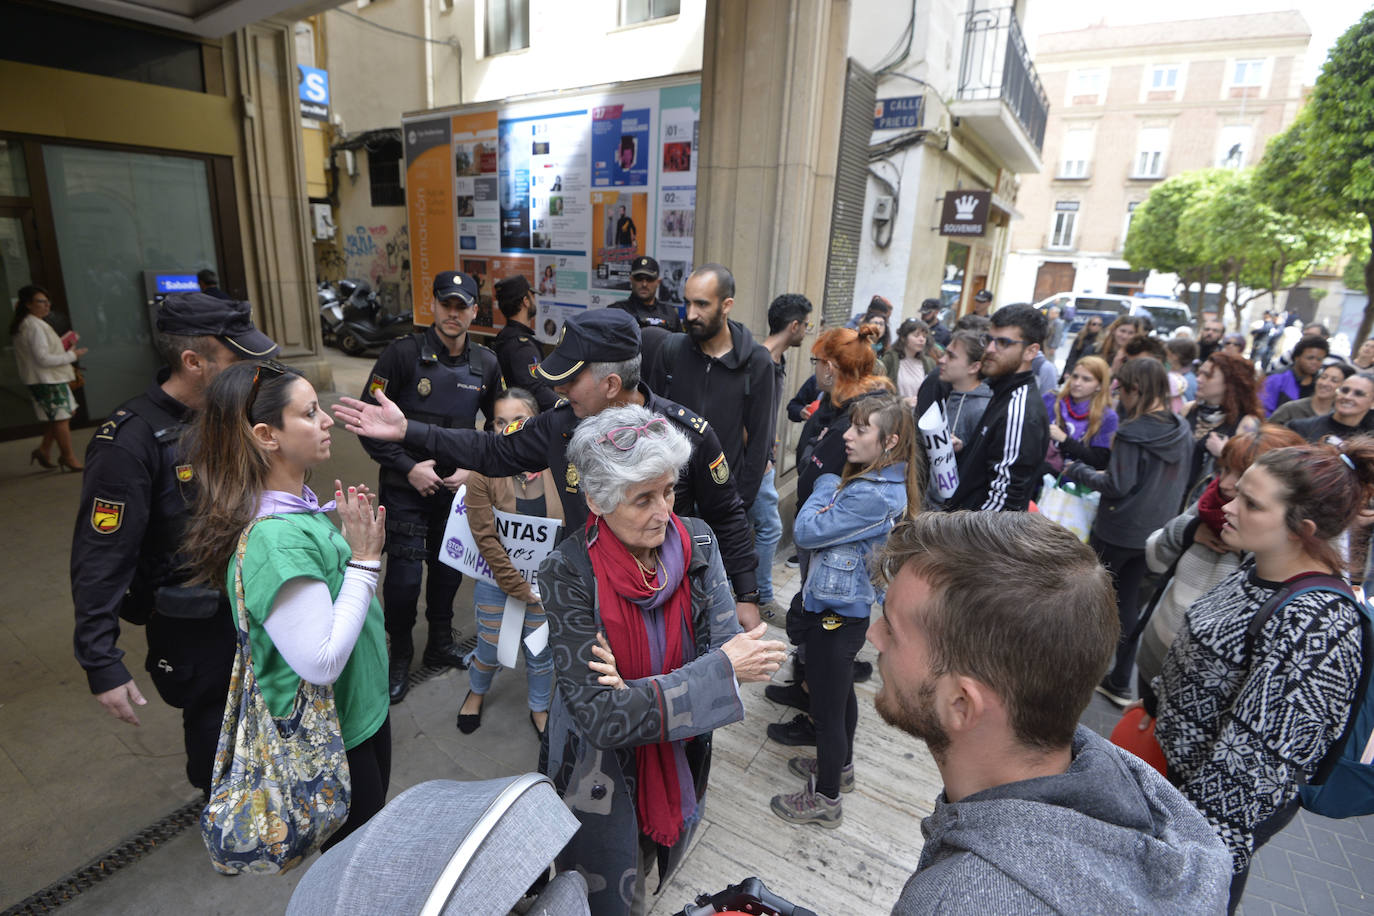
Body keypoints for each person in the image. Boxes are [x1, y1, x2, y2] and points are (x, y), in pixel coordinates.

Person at [870, 511, 1232, 915]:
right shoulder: (1129, 794)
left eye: (891, 628)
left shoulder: (954, 902)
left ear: (961, 704)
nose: (873, 635)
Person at [333, 308, 763, 628]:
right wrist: (409, 429)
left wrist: (745, 594)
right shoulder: (561, 423)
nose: (559, 388)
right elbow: (492, 451)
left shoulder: (685, 435)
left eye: (572, 379)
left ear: (611, 384)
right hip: (587, 600)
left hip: (667, 603)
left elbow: (726, 515)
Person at [538, 404, 787, 916]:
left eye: (670, 490)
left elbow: (720, 644)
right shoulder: (565, 573)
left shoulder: (696, 541)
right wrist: (718, 672)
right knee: (599, 888)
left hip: (679, 755)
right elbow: (602, 719)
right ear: (597, 501)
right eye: (643, 498)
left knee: (651, 856)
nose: (663, 512)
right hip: (595, 776)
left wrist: (636, 690)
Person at [1151, 440, 1370, 911]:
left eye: (1252, 503)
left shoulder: (1319, 625)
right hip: (1162, 794)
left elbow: (1246, 781)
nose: (1229, 506)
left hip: (1189, 841)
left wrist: (1169, 859)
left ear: (1301, 529)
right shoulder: (1260, 565)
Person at [71, 292, 277, 794]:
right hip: (195, 617)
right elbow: (100, 556)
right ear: (193, 362)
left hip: (255, 594)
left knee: (265, 703)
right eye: (237, 361)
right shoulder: (130, 441)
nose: (254, 372)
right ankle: (221, 808)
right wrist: (101, 661)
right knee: (212, 720)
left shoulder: (236, 411)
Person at [183, 360, 389, 851]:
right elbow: (320, 660)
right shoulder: (276, 540)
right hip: (338, 738)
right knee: (358, 867)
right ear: (266, 435)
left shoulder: (295, 509)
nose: (328, 421)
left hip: (359, 715)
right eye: (310, 412)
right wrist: (363, 561)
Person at [771, 393, 921, 827]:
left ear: (890, 441)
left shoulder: (871, 495)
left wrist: (823, 486)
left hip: (836, 617)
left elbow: (806, 528)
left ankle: (827, 799)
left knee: (828, 710)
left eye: (860, 429)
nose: (848, 436)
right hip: (841, 610)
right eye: (850, 425)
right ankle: (841, 768)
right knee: (838, 699)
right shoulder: (875, 484)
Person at [358, 270, 503, 703]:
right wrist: (408, 468)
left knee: (447, 575)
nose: (453, 313)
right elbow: (369, 426)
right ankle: (400, 654)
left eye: (462, 306)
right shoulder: (401, 356)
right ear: (434, 306)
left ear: (475, 312)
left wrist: (475, 473)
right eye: (446, 304)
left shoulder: (488, 365)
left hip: (456, 491)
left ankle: (440, 643)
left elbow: (500, 427)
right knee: (402, 582)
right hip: (406, 489)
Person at [766, 325, 894, 744]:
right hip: (822, 536)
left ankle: (815, 714)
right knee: (812, 628)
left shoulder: (859, 413)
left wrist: (818, 479)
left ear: (834, 367)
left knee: (825, 649)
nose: (815, 367)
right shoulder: (842, 403)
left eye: (820, 361)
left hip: (829, 544)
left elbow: (831, 478)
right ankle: (806, 691)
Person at [1135, 424, 1305, 704]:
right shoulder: (1211, 505)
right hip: (1154, 653)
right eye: (1224, 470)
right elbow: (1154, 557)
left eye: (1240, 475)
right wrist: (1188, 532)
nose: (1226, 485)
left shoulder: (1273, 555)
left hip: (1196, 685)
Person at [1062, 358, 1192, 707]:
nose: (1119, 398)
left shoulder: (1134, 432)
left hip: (1119, 528)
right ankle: (1119, 680)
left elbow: (1117, 484)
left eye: (1122, 390)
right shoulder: (1181, 427)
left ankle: (1072, 672)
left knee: (1093, 599)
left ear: (1136, 389)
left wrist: (1078, 470)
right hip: (1154, 532)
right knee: (1129, 601)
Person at [456, 389, 560, 737]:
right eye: (501, 422)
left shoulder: (560, 466)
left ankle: (540, 707)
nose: (509, 429)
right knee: (488, 646)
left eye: (519, 421)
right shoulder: (482, 473)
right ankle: (476, 692)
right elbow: (485, 538)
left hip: (546, 583)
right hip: (495, 580)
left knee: (540, 651)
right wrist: (517, 587)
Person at [646, 263, 776, 508]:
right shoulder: (672, 351)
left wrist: (739, 505)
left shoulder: (757, 362)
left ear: (726, 305)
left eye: (702, 304)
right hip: (672, 501)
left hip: (723, 504)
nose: (691, 314)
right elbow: (651, 422)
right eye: (688, 303)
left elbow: (760, 443)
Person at [942, 304, 1050, 512]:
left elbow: (1003, 503)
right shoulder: (1002, 391)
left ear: (1031, 351)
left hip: (976, 540)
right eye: (989, 340)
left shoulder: (1018, 410)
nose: (990, 349)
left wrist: (956, 539)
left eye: (1003, 342)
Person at [754, 293, 814, 618]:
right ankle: (762, 598)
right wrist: (761, 456)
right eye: (806, 324)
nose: (807, 330)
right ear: (794, 326)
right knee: (770, 528)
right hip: (755, 465)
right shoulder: (761, 360)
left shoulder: (777, 361)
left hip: (766, 458)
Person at [11, 284, 88, 471]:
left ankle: (44, 450)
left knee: (58, 417)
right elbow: (43, 358)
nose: (47, 306)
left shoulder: (29, 323)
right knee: (61, 418)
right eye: (41, 302)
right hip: (48, 379)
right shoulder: (34, 326)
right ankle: (68, 457)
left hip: (45, 378)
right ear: (28, 304)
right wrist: (72, 355)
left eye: (47, 302)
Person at [1182, 352, 1264, 505]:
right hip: (1172, 497)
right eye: (1199, 373)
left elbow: (1248, 473)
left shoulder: (1247, 423)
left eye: (1208, 376)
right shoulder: (1188, 409)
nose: (1199, 379)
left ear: (1229, 383)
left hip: (1205, 503)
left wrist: (1224, 454)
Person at [490, 273, 558, 411]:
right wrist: (563, 407)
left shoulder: (505, 337)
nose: (534, 300)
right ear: (526, 301)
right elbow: (535, 389)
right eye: (532, 296)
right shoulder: (521, 346)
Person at [1045, 355, 1118, 473]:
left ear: (1099, 385)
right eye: (1075, 377)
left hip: (1071, 485)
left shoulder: (1107, 417)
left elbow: (1099, 462)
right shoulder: (1051, 399)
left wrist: (1064, 440)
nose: (1077, 383)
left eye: (1086, 379)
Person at [1287, 371, 1374, 443]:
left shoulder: (1369, 441)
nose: (1347, 397)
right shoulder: (1300, 428)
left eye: (1359, 394)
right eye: (1344, 390)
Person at [1268, 361, 1353, 425]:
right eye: (1323, 377)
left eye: (1334, 380)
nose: (1325, 383)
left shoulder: (1340, 417)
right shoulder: (1291, 409)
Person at [609, 255, 680, 331]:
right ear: (631, 280)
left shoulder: (670, 313)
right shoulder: (616, 312)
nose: (644, 284)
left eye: (649, 279)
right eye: (639, 279)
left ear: (658, 282)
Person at [1261, 334, 1328, 414]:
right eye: (1310, 358)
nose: (1314, 363)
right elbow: (1263, 410)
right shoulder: (1276, 379)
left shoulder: (1320, 384)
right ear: (1297, 357)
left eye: (1319, 359)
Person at [881, 317, 937, 406]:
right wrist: (902, 401)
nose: (922, 339)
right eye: (916, 335)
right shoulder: (890, 359)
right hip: (895, 413)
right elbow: (880, 392)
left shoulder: (929, 363)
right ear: (903, 338)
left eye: (924, 336)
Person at [1060, 315, 1103, 381]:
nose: (1097, 326)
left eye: (1099, 325)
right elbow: (1072, 356)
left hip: (1092, 372)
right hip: (1077, 368)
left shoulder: (1101, 341)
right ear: (1089, 325)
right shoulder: (1080, 338)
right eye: (1094, 324)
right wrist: (1068, 371)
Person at [1165, 337, 1199, 402]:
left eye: (1167, 353)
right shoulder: (1188, 376)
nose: (1165, 357)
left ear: (1175, 356)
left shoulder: (1186, 381)